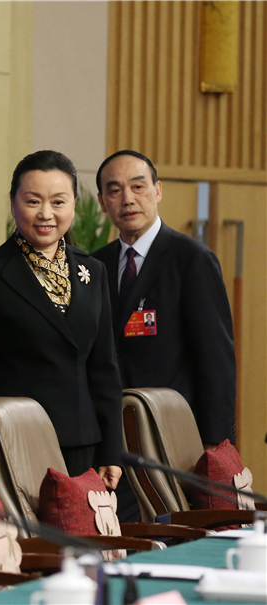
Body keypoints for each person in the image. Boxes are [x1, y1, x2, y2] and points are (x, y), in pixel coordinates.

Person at [0, 150, 123, 489]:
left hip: (80, 441)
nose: (46, 214)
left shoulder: (93, 270)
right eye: (33, 201)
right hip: (12, 440)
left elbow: (104, 369)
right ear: (14, 202)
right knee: (25, 542)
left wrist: (112, 451)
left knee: (79, 538)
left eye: (58, 202)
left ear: (73, 204)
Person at [92, 150, 235, 521]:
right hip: (113, 440)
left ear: (157, 191)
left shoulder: (191, 259)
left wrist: (214, 445)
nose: (128, 198)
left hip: (173, 437)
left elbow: (216, 359)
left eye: (138, 186)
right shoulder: (95, 266)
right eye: (115, 190)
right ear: (102, 202)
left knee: (173, 535)